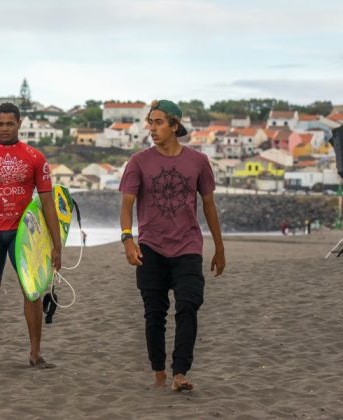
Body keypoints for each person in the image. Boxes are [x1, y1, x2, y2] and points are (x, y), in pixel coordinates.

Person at [119, 100, 225, 392]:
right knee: (154, 313)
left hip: (188, 245)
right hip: (150, 246)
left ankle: (180, 372)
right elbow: (127, 204)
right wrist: (128, 239)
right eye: (150, 122)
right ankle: (158, 372)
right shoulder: (139, 161)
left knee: (189, 305)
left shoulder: (198, 161)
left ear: (175, 125)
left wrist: (219, 247)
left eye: (158, 122)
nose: (151, 128)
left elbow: (208, 204)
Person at [0, 103, 62, 368]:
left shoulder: (35, 157)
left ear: (19, 124)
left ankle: (35, 353)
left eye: (9, 124)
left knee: (32, 291)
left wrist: (56, 244)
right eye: (0, 124)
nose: (4, 128)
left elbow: (48, 203)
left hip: (24, 233)